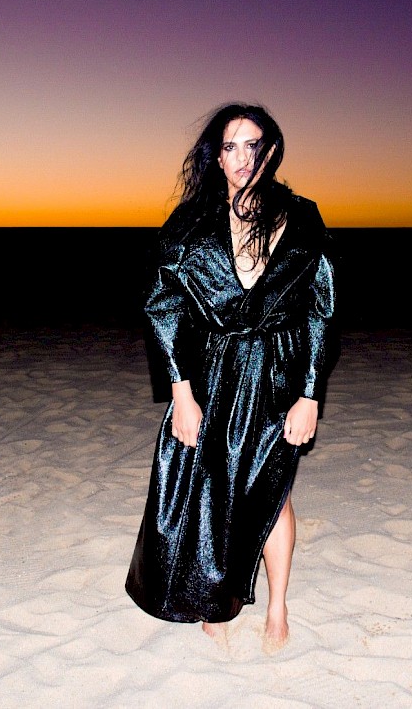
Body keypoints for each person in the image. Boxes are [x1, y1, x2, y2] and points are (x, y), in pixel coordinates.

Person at [125, 102, 337, 652]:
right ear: (216, 157)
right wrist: (180, 389)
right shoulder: (191, 223)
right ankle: (218, 600)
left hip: (277, 373)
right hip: (214, 371)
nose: (243, 158)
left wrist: (310, 393)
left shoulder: (303, 216)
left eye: (253, 145)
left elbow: (320, 308)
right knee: (215, 490)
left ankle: (278, 607)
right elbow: (162, 304)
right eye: (230, 146)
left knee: (273, 491)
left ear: (270, 150)